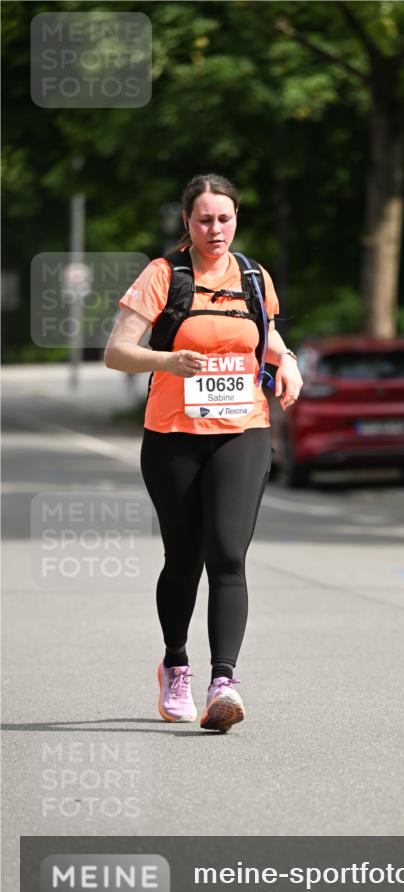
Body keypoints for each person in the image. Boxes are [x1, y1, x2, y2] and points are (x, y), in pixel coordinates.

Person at [104, 173, 302, 733]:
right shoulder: (164, 275)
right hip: (173, 437)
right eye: (203, 219)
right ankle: (175, 663)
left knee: (228, 553)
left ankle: (224, 683)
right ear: (186, 224)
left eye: (224, 218)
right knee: (184, 557)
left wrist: (286, 361)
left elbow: (266, 335)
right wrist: (167, 362)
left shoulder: (254, 276)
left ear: (236, 218)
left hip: (244, 429)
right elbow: (118, 352)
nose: (215, 228)